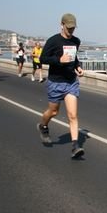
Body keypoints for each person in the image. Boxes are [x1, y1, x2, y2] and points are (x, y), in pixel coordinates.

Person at [37, 13, 85, 159]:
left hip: (71, 82)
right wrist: (59, 60)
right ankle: (42, 126)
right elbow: (43, 58)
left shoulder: (76, 41)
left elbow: (74, 58)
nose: (71, 31)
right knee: (53, 112)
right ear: (62, 25)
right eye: (68, 28)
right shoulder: (53, 41)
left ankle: (75, 146)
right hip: (55, 82)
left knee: (73, 115)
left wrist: (78, 67)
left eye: (73, 28)